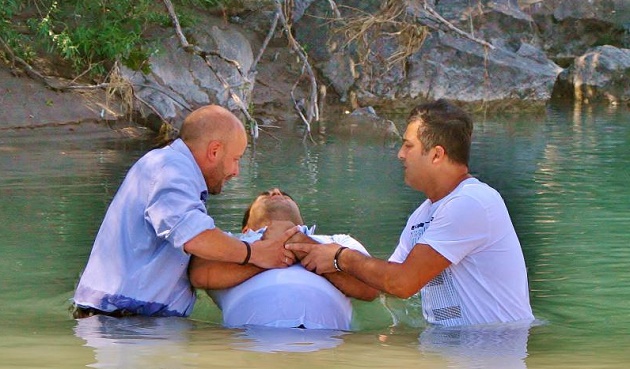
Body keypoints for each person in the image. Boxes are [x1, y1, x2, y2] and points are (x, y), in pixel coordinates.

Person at [287, 99, 535, 327]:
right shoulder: (423, 215)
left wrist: (341, 256)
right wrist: (309, 251)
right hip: (450, 351)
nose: (400, 154)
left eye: (408, 146)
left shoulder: (472, 202)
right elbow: (379, 286)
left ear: (436, 154)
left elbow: (402, 283)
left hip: (490, 353)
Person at [72, 105, 296, 319]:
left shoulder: (172, 168)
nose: (236, 171)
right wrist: (256, 253)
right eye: (235, 159)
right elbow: (195, 237)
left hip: (129, 319)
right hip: (122, 321)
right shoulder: (170, 170)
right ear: (214, 151)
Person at [188, 188, 379, 330]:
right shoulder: (232, 242)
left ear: (303, 223)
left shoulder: (337, 242)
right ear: (246, 229)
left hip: (327, 343)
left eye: (285, 195)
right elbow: (199, 274)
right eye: (265, 195)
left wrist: (302, 244)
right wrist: (264, 255)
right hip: (253, 344)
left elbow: (371, 287)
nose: (276, 191)